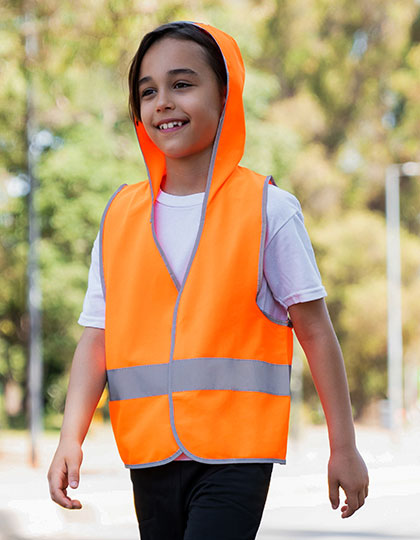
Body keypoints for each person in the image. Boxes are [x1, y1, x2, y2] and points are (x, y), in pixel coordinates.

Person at [48, 21, 369, 540]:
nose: (163, 103)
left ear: (225, 95)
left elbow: (316, 332)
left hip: (237, 456)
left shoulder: (269, 209)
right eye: (147, 91)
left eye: (182, 84)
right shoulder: (118, 217)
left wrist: (344, 446)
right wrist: (70, 437)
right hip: (148, 454)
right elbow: (97, 338)